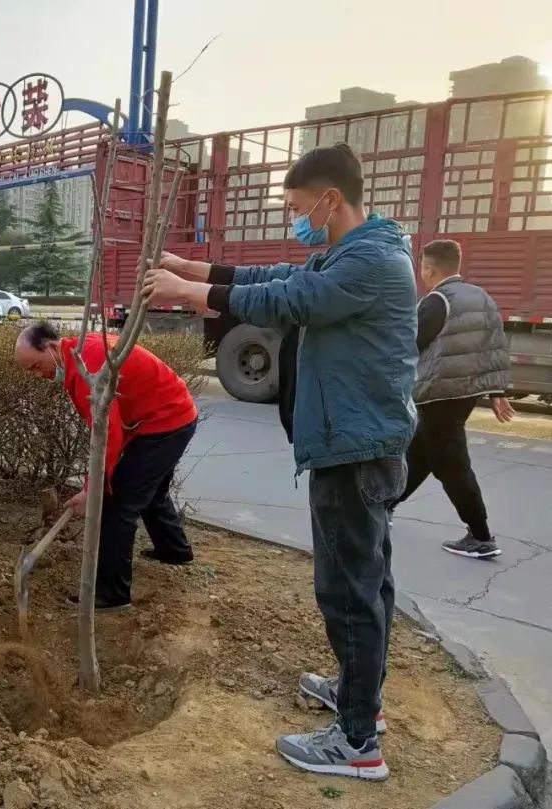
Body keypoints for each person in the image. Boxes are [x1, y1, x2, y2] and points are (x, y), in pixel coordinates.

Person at [144, 143, 417, 781]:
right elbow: (278, 279)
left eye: (298, 207)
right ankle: (360, 702)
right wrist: (197, 267)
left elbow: (291, 302)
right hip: (358, 442)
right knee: (365, 583)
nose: (296, 220)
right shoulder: (358, 252)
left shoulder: (370, 262)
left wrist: (191, 292)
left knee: (349, 592)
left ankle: (357, 746)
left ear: (329, 199)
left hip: (355, 449)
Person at [14, 322, 199, 610]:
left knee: (118, 506)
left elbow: (107, 435)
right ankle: (175, 551)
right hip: (167, 415)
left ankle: (112, 594)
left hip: (166, 422)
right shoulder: (79, 354)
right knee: (149, 491)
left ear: (50, 347)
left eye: (35, 366)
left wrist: (92, 491)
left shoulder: (89, 368)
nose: (37, 376)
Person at [393, 239, 513, 559]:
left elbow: (409, 344)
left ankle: (481, 535)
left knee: (451, 463)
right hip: (466, 393)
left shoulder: (436, 301)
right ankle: (384, 507)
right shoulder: (481, 297)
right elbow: (495, 347)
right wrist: (497, 391)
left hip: (439, 393)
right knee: (421, 451)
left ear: (429, 269)